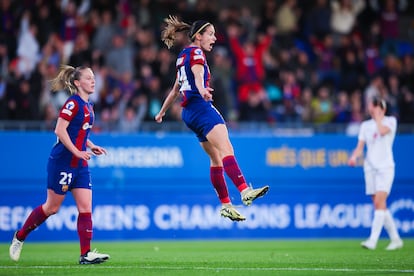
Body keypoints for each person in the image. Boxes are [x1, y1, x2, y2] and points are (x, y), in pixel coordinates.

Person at [155, 15, 269, 221]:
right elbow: (198, 78)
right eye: (211, 34)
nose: (214, 38)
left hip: (188, 114)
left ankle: (226, 204)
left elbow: (175, 90)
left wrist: (162, 112)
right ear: (198, 36)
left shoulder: (182, 56)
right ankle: (244, 190)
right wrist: (203, 91)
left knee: (216, 158)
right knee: (226, 149)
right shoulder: (197, 53)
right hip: (201, 107)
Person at [9, 65, 110, 264]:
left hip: (79, 164)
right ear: (77, 83)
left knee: (86, 207)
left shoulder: (89, 106)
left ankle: (86, 254)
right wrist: (77, 151)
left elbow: (79, 133)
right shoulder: (73, 103)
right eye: (88, 78)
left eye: (93, 77)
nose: (93, 80)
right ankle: (20, 237)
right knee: (51, 208)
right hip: (62, 163)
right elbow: (59, 130)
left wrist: (91, 145)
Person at [348, 97, 403, 250]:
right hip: (370, 168)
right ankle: (396, 239)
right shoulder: (365, 125)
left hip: (385, 168)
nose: (372, 110)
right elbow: (360, 146)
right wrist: (354, 156)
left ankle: (372, 240)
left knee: (380, 202)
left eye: (375, 107)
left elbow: (382, 131)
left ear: (382, 109)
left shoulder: (390, 121)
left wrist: (379, 118)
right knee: (379, 205)